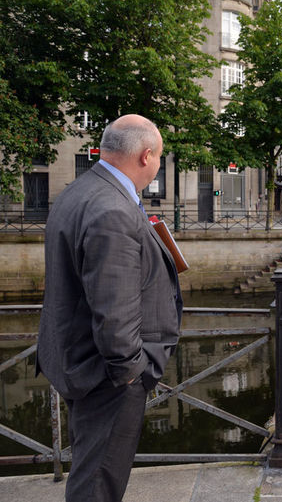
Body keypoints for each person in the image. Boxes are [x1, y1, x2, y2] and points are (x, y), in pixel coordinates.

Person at [36, 114, 182, 502]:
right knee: (98, 480)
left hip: (75, 357)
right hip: (107, 376)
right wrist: (131, 373)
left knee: (91, 466)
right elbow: (114, 310)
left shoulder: (79, 190)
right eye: (159, 159)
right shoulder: (113, 210)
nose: (156, 167)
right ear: (146, 156)